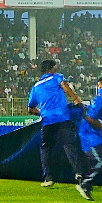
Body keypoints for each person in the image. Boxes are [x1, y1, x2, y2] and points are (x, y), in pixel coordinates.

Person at [27, 59, 89, 188]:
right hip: (62, 117)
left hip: (47, 121)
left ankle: (48, 178)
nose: (56, 68)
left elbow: (30, 109)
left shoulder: (36, 87)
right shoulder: (56, 77)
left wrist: (43, 113)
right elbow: (66, 86)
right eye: (55, 66)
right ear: (50, 69)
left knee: (46, 148)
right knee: (69, 145)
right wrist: (76, 99)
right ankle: (78, 173)